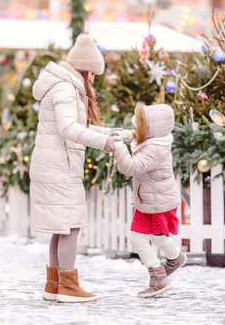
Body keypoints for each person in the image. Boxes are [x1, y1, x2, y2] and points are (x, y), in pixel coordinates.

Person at [30, 34, 122, 303]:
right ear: (85, 69)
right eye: (93, 73)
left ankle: (54, 285)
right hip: (59, 167)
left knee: (62, 226)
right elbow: (69, 129)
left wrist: (114, 134)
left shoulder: (63, 86)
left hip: (55, 165)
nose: (93, 79)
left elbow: (80, 127)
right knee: (70, 226)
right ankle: (68, 287)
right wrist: (104, 143)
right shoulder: (66, 89)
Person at [112, 102, 187, 298]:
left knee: (141, 238)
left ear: (150, 129)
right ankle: (175, 259)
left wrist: (118, 146)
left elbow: (130, 167)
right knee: (158, 237)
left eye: (140, 126)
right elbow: (137, 137)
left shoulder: (155, 149)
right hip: (151, 200)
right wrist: (124, 135)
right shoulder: (154, 141)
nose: (136, 130)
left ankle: (159, 277)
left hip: (156, 203)